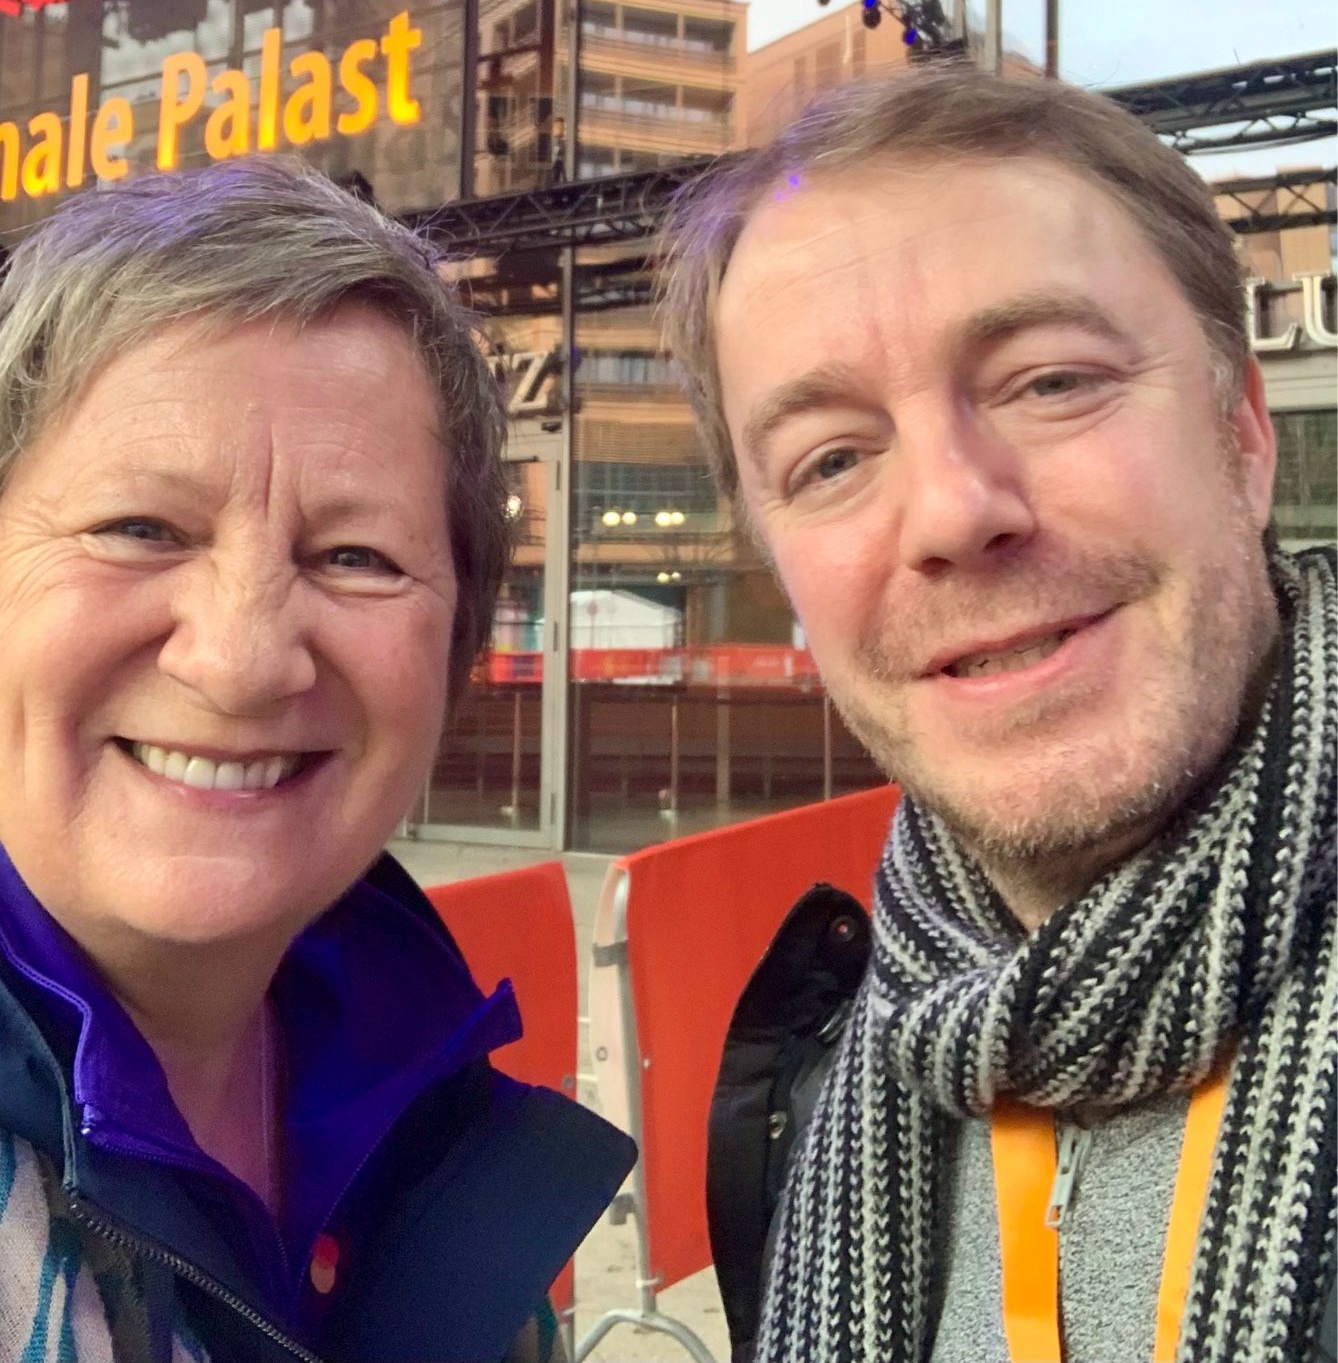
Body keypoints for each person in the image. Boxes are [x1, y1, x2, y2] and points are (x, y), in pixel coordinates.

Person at [657, 68, 1335, 1363]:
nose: (954, 510)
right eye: (833, 459)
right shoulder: (802, 1094)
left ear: (1243, 433)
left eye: (1047, 382)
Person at [0, 159, 634, 1363]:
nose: (241, 661)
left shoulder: (436, 1116)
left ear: (451, 651)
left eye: (354, 555)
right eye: (139, 528)